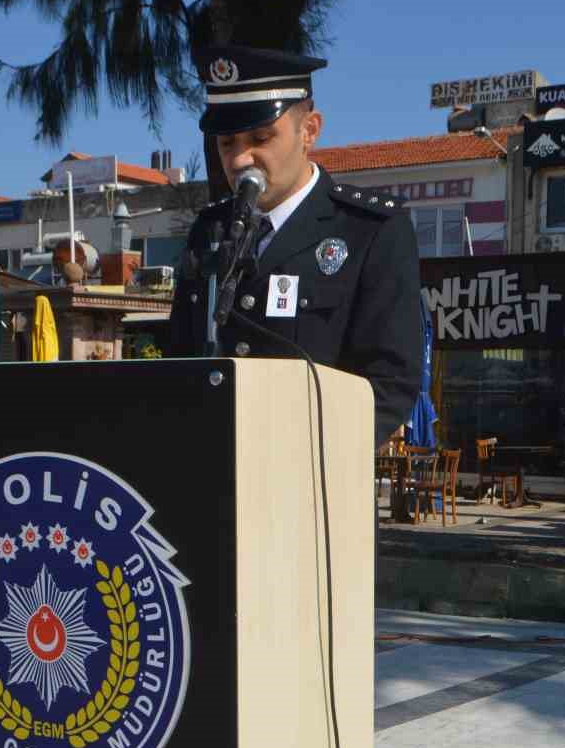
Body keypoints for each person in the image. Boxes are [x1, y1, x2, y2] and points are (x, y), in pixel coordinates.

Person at [167, 45, 422, 448]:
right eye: (227, 143)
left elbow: (390, 385)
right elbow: (178, 361)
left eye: (260, 137)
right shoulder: (211, 232)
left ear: (310, 130)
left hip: (315, 486)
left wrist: (300, 455)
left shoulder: (370, 230)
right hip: (215, 481)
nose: (239, 160)